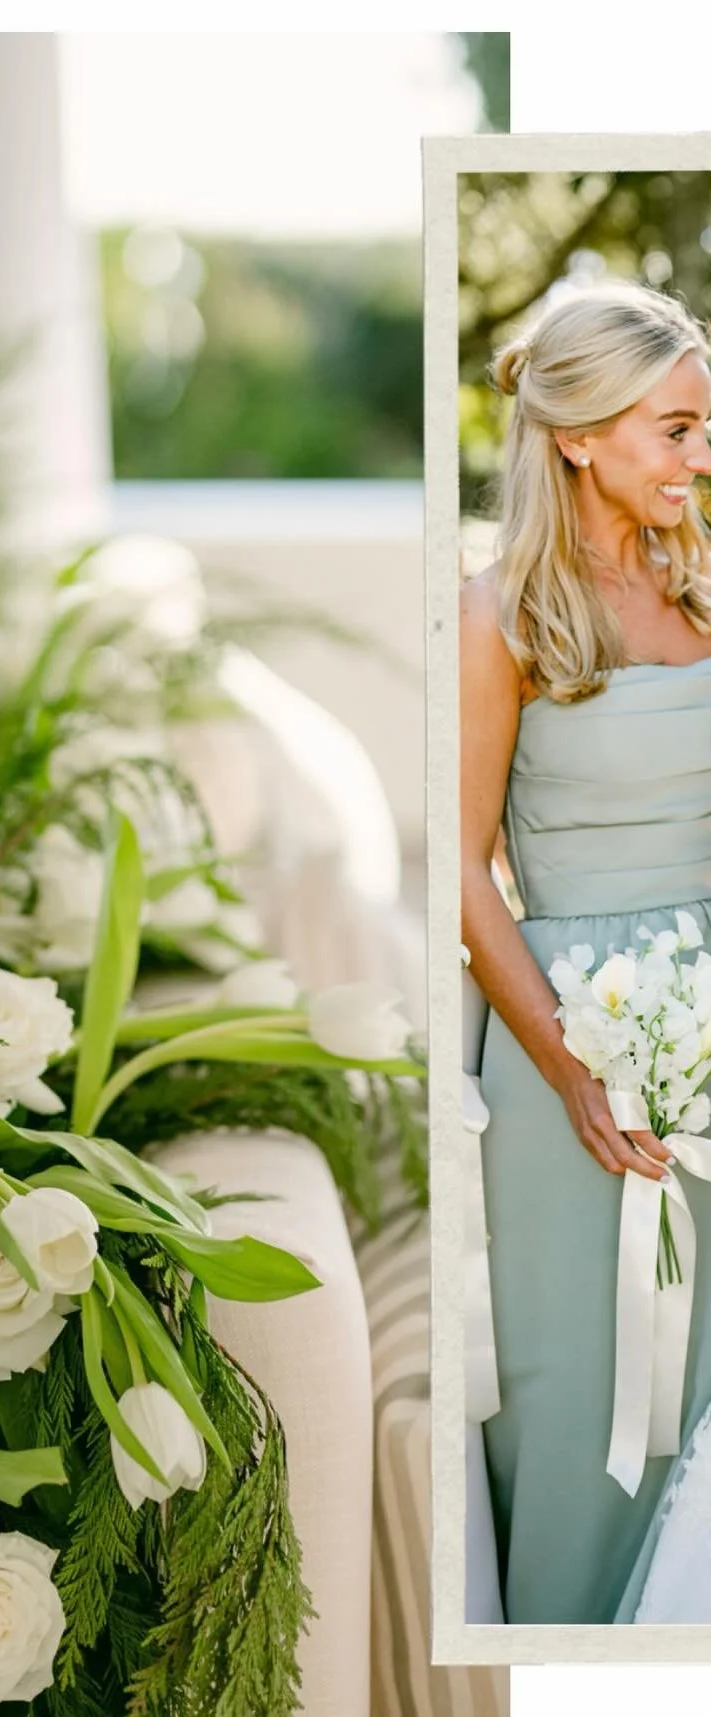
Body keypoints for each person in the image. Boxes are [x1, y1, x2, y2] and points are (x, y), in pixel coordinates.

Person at [460, 283, 711, 1623]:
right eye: (676, 429)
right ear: (576, 434)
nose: (702, 458)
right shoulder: (495, 615)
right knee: (581, 1418)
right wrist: (567, 1064)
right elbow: (455, 867)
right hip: (565, 1059)